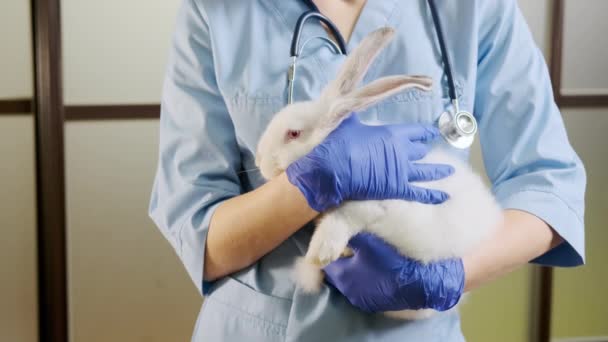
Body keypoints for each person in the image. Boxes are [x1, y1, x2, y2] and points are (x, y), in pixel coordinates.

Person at [148, 0, 586, 341]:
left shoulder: (474, 8)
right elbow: (200, 238)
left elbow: (548, 187)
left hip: (415, 333)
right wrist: (308, 185)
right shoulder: (215, 11)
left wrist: (445, 278)